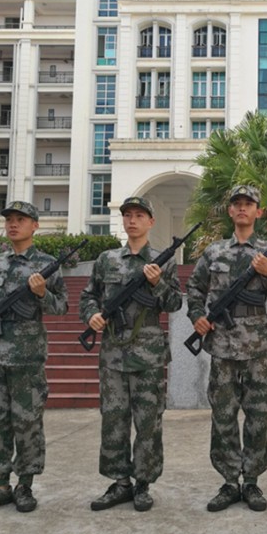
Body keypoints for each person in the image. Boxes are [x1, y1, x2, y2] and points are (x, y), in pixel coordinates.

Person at [186, 185, 267, 513]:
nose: (243, 209)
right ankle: (230, 481)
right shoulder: (214, 252)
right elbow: (195, 287)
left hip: (258, 344)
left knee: (258, 415)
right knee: (224, 415)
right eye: (237, 204)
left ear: (259, 212)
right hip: (222, 344)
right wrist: (197, 317)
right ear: (230, 211)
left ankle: (253, 481)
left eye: (249, 204)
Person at [0, 201, 68, 515]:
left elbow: (61, 306)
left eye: (20, 219)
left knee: (28, 421)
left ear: (34, 225)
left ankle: (25, 485)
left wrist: (41, 294)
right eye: (9, 219)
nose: (13, 224)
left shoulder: (48, 264)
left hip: (27, 356)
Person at [80, 196, 182, 512]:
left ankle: (142, 483)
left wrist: (159, 283)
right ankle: (119, 482)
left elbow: (175, 303)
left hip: (148, 357)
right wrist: (92, 316)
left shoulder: (162, 261)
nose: (132, 220)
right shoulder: (106, 260)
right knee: (114, 420)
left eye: (139, 215)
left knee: (148, 422)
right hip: (113, 355)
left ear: (151, 221)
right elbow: (88, 297)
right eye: (127, 215)